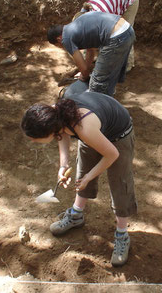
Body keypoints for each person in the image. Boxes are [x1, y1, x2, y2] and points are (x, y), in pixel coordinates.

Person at [21, 91, 137, 267]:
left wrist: (90, 177)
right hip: (95, 128)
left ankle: (122, 234)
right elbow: (62, 134)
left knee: (119, 183)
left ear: (48, 131)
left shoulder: (84, 128)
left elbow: (112, 154)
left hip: (118, 135)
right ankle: (76, 215)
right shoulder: (55, 115)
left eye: (35, 139)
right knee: (81, 173)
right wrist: (64, 165)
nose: (34, 142)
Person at [48, 11, 135, 97]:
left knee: (97, 81)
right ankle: (108, 95)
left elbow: (84, 69)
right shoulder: (77, 26)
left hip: (116, 37)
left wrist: (84, 77)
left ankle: (97, 104)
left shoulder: (66, 38)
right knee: (111, 71)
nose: (62, 47)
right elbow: (90, 52)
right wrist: (84, 73)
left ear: (59, 39)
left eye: (58, 45)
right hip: (127, 30)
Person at [73, 0, 139, 72]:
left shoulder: (102, 21)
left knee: (124, 32)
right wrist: (84, 69)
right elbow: (89, 48)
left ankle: (127, 64)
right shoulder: (83, 13)